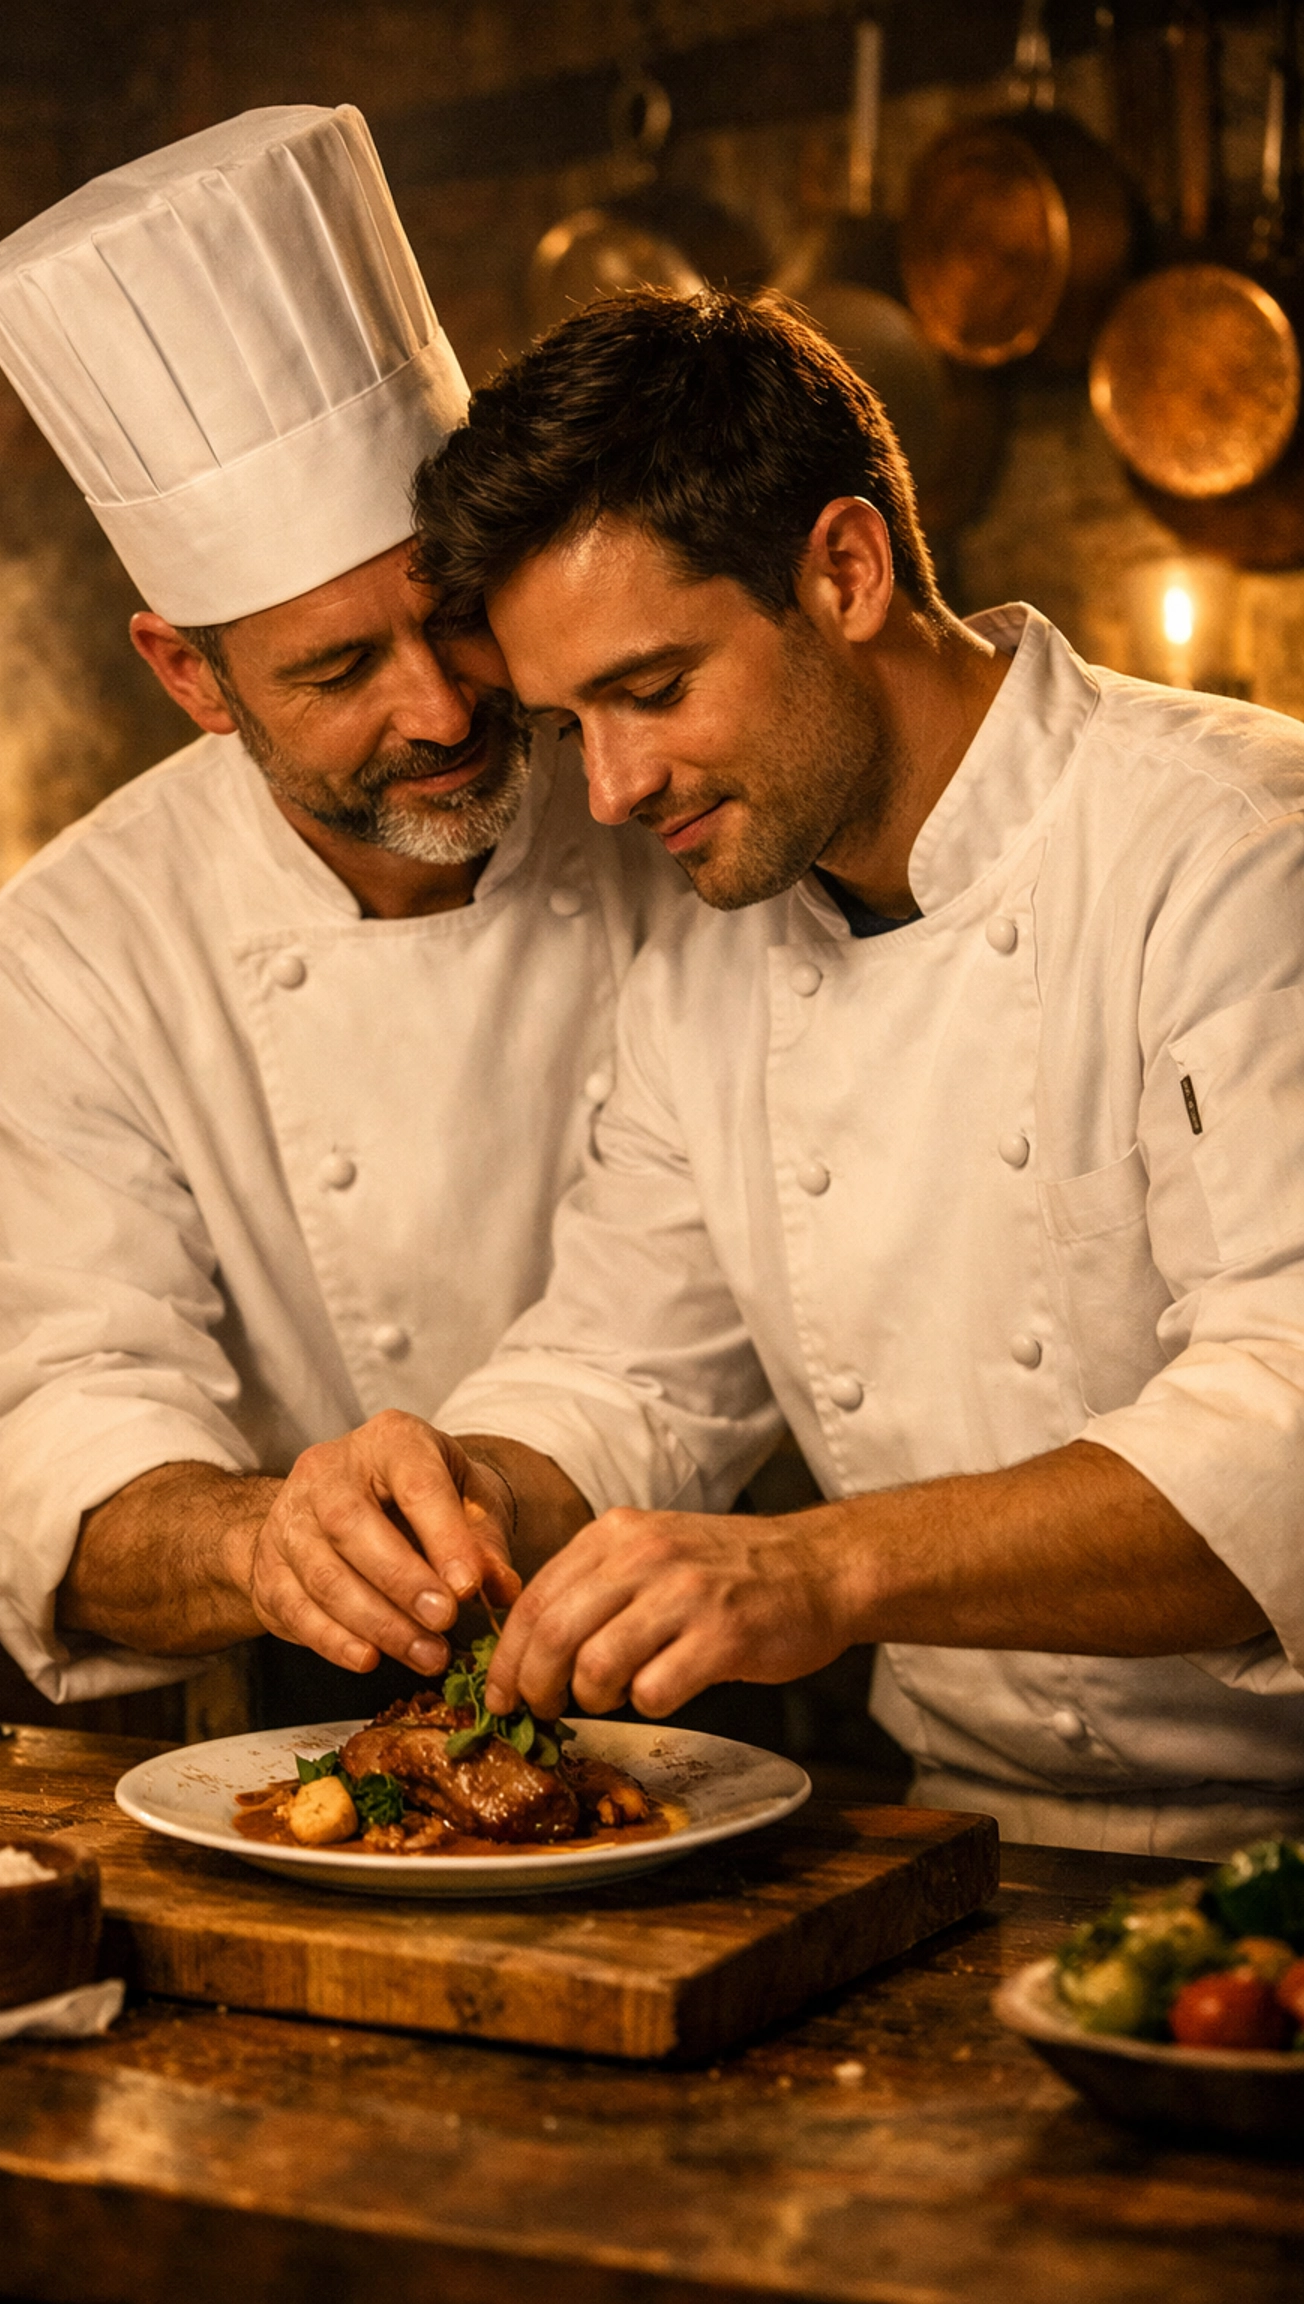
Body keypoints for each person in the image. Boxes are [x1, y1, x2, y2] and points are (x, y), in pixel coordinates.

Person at [305, 287, 1304, 1855]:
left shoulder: (1237, 850)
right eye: (572, 728)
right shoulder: (710, 962)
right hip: (965, 1845)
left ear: (847, 568)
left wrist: (821, 1572)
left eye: (653, 691)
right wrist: (451, 1487)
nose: (618, 789)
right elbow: (624, 1373)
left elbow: (1290, 1426)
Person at [0, 110, 680, 1712]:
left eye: (452, 613)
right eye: (337, 671)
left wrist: (477, 1489)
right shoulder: (75, 953)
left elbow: (691, 1318)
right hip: (306, 1702)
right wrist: (272, 1542)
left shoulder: (674, 814)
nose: (442, 707)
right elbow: (60, 1413)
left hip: (736, 1655)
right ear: (187, 673)